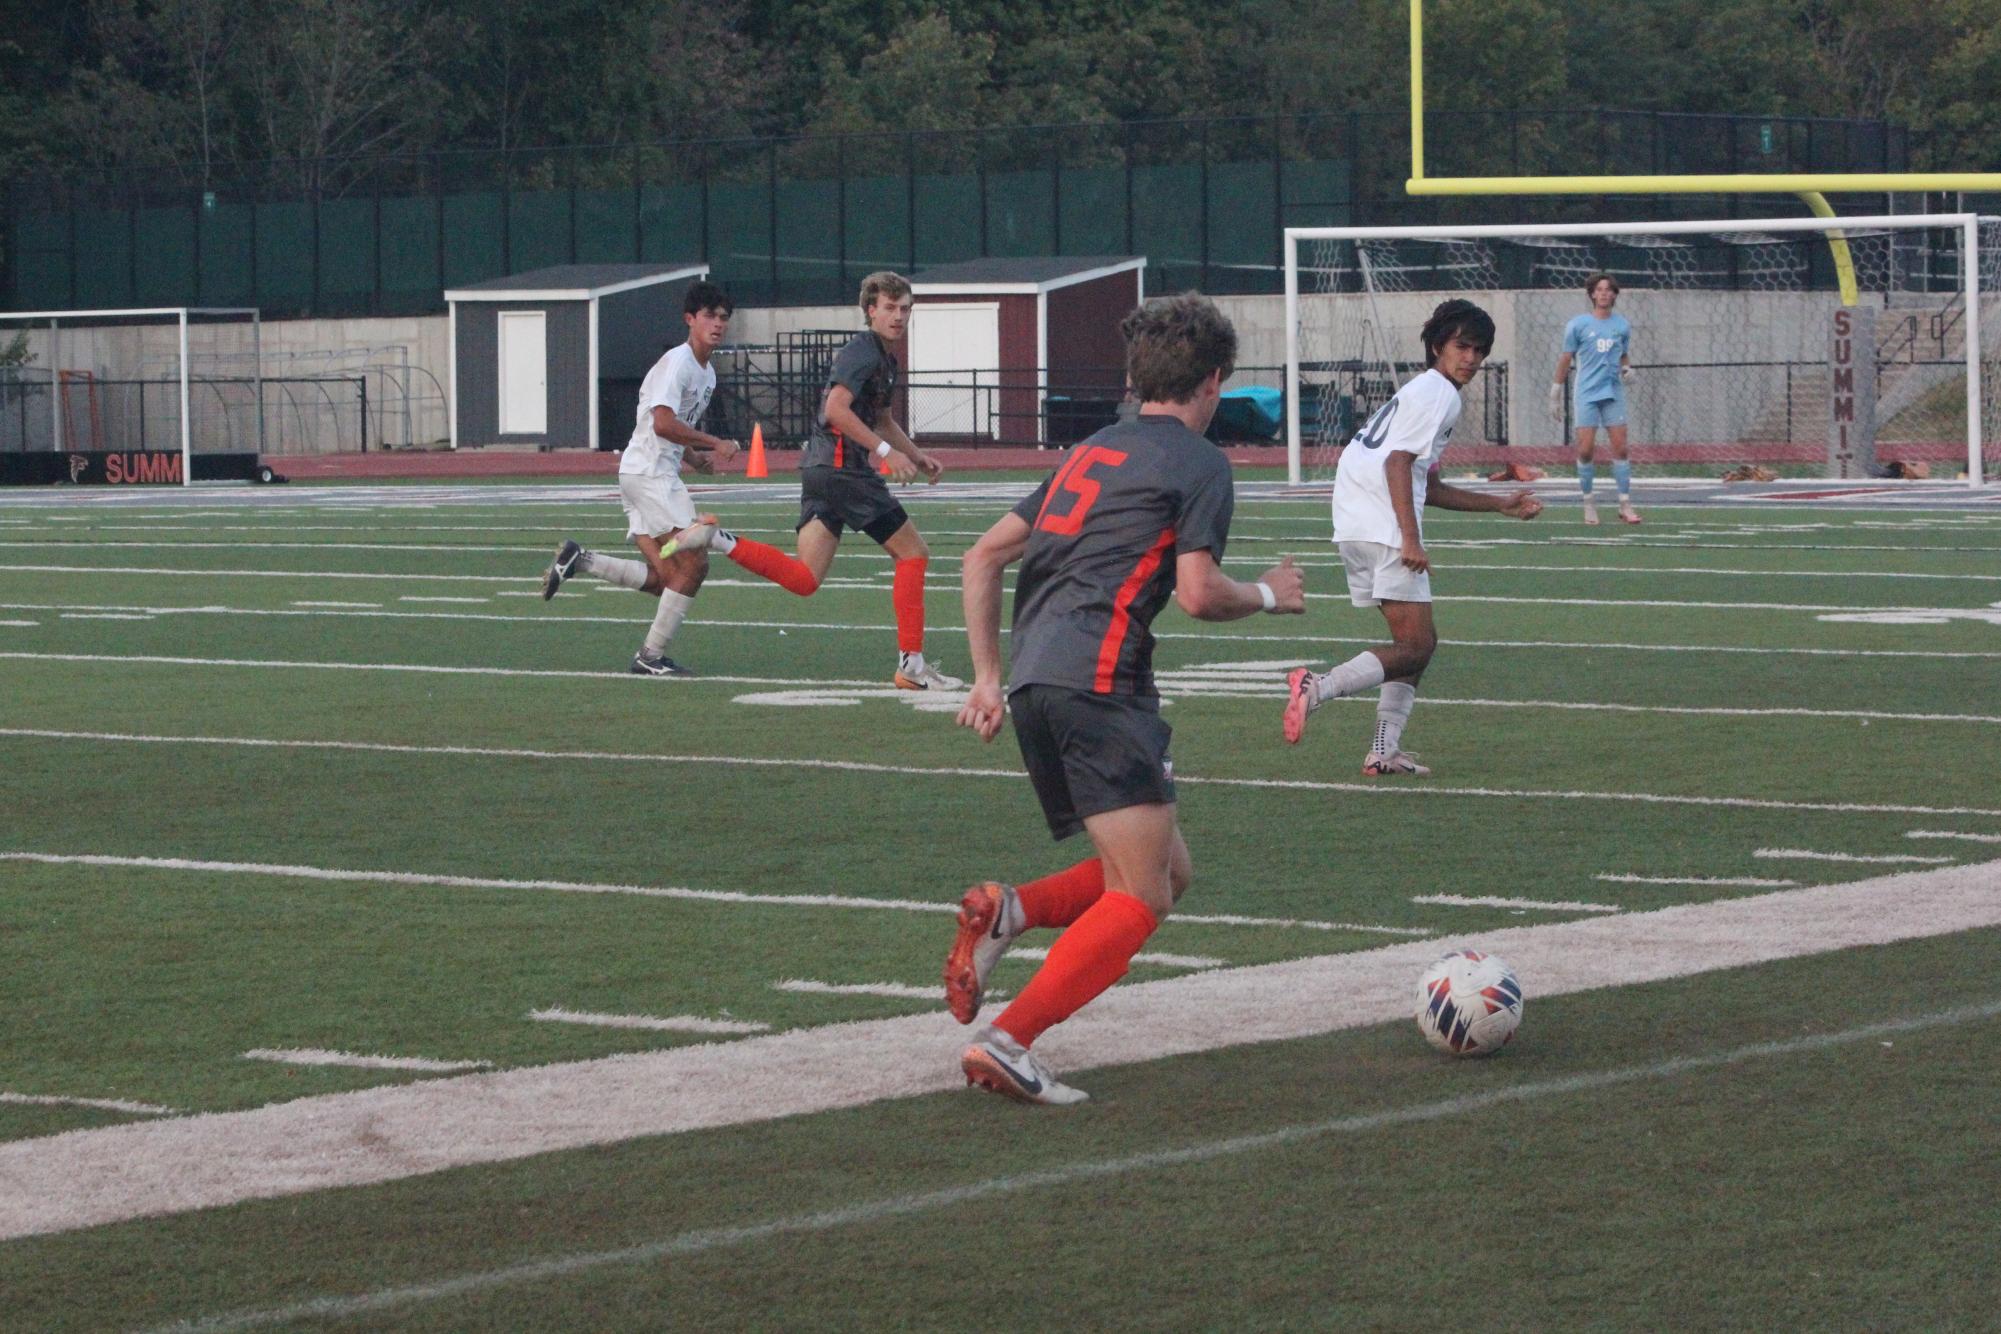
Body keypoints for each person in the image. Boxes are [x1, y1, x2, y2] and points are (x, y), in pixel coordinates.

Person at [942, 293, 1306, 1105]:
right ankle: (1008, 1041)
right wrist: (1272, 595)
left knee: (1167, 873)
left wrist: (987, 676)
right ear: (1213, 382)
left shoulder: (1091, 448)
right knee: (1139, 896)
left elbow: (980, 556)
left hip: (1041, 680)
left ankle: (1009, 911)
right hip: (1100, 684)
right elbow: (1199, 594)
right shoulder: (1199, 462)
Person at [1282, 299, 1542, 773]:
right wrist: (1410, 539)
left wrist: (1498, 504)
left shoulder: (1421, 392)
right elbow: (1397, 462)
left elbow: (1430, 485)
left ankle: (1384, 750)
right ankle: (1317, 687)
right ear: (1438, 345)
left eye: (1479, 351)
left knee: (1416, 644)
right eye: (1463, 346)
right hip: (1382, 525)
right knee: (1417, 648)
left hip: (1355, 522)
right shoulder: (1440, 394)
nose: (1472, 359)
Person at [703, 271, 962, 690]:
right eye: (890, 308)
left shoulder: (882, 357)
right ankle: (911, 666)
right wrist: (884, 453)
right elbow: (836, 409)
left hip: (821, 469)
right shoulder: (863, 352)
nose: (898, 316)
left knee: (805, 579)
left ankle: (718, 539)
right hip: (843, 468)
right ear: (870, 311)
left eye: (905, 308)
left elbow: (881, 419)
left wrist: (915, 454)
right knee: (913, 554)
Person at [539, 281, 739, 675]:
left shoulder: (708, 373)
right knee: (695, 565)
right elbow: (663, 423)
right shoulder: (678, 363)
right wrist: (715, 442)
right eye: (709, 316)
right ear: (690, 319)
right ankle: (649, 657)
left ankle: (582, 560)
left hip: (643, 473)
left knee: (669, 578)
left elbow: (669, 430)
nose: (717, 324)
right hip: (650, 476)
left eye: (723, 317)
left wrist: (695, 458)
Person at [1549, 272, 1640, 525]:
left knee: (1621, 447)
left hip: (1613, 392)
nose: (1604, 293)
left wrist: (1627, 370)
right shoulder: (1577, 325)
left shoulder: (1621, 325)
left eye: (1608, 289)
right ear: (1592, 294)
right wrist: (1555, 390)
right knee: (1586, 449)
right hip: (1587, 393)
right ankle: (1589, 503)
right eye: (1599, 289)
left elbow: (1623, 354)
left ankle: (1625, 503)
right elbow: (1566, 358)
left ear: (1614, 294)